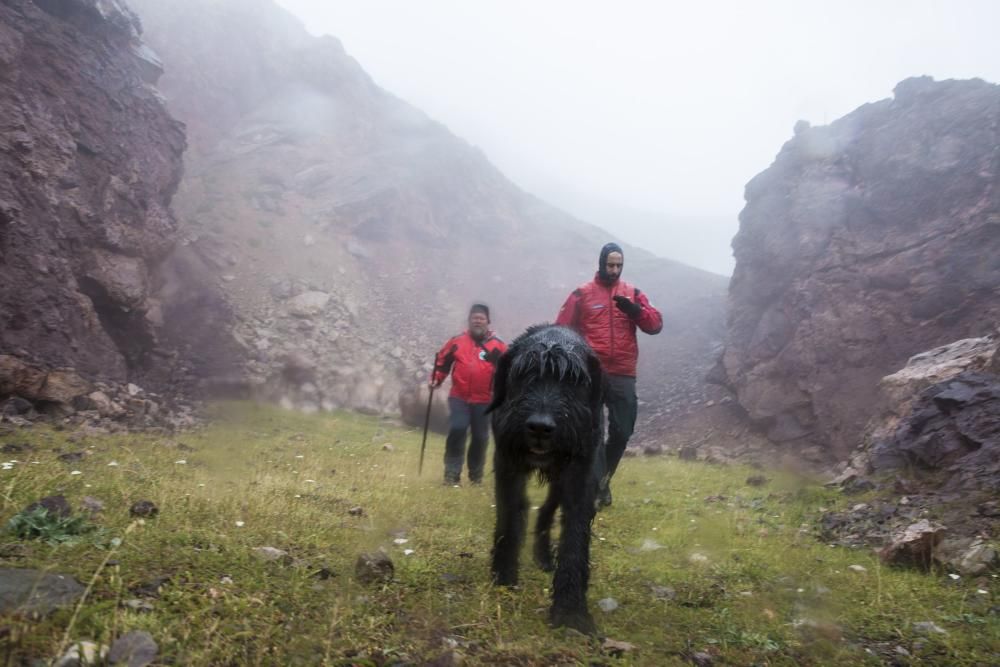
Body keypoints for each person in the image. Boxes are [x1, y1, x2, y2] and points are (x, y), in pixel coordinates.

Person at [555, 243, 662, 507]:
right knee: (594, 432)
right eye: (610, 265)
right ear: (601, 263)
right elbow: (560, 330)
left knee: (623, 431)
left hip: (624, 373)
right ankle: (598, 489)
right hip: (591, 372)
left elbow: (656, 325)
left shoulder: (633, 294)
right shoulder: (582, 294)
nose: (614, 270)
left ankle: (602, 480)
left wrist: (635, 311)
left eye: (618, 265)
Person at [430, 304, 507, 486]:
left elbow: (507, 371)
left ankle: (476, 477)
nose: (477, 321)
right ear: (469, 321)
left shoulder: (499, 346)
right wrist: (436, 379)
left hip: (485, 400)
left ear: (488, 322)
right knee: (458, 428)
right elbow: (442, 361)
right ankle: (451, 475)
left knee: (480, 437)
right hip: (459, 397)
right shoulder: (457, 341)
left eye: (481, 318)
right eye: (474, 318)